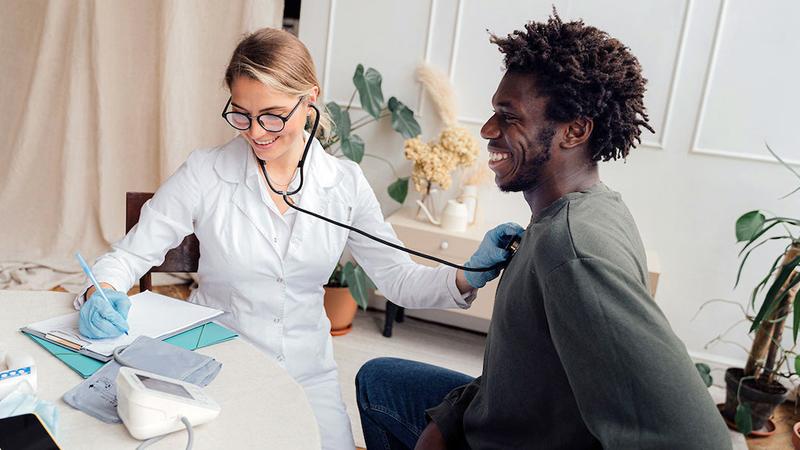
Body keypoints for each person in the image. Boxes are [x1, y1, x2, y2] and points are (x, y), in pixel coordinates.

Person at [72, 28, 521, 449]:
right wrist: (102, 290)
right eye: (241, 115)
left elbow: (399, 279)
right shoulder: (205, 172)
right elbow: (129, 255)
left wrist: (467, 275)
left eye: (271, 115)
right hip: (216, 363)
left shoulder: (343, 184)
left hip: (308, 373)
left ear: (310, 101)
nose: (255, 133)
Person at [355, 12, 732, 450]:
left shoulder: (574, 249)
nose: (487, 130)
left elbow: (697, 439)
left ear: (574, 131)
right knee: (379, 380)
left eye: (508, 117)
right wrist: (449, 418)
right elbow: (526, 366)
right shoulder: (580, 210)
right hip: (508, 416)